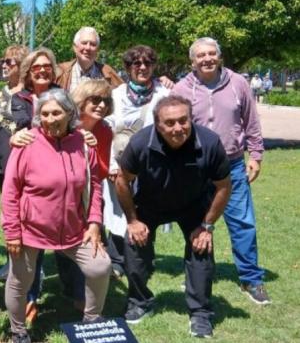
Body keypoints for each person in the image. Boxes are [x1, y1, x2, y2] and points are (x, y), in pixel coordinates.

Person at [115, 95, 232, 338]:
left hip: (193, 205)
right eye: (169, 123)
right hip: (149, 203)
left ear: (191, 119)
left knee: (201, 249)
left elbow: (223, 186)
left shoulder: (210, 143)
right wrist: (133, 221)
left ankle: (200, 313)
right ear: (157, 124)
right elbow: (122, 180)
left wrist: (207, 225)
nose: (177, 128)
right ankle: (139, 301)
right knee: (133, 247)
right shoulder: (139, 142)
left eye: (183, 121)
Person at [1, 89, 111, 343]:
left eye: (56, 113)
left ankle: (92, 321)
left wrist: (94, 222)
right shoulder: (26, 143)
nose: (50, 119)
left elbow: (94, 186)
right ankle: (18, 331)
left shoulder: (84, 144)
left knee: (100, 267)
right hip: (30, 229)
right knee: (20, 280)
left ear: (70, 113)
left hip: (74, 228)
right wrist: (12, 232)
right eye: (45, 114)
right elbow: (9, 191)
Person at [172, 37, 270, 304]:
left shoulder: (238, 83)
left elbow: (251, 121)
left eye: (212, 54)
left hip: (233, 165)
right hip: (197, 167)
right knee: (198, 223)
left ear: (219, 56)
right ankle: (200, 275)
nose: (207, 59)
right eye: (201, 55)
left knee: (242, 223)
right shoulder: (182, 88)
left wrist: (256, 155)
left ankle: (251, 279)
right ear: (192, 61)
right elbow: (173, 129)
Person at [104, 45, 170, 279]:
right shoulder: (116, 95)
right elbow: (107, 131)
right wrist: (111, 164)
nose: (142, 68)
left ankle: (142, 259)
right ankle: (117, 260)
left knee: (146, 210)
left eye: (148, 63)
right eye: (136, 63)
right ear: (128, 67)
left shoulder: (164, 94)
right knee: (118, 210)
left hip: (151, 165)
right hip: (120, 164)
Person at [0, 45, 29, 280]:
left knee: (27, 215)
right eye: (3, 61)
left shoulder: (29, 95)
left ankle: (33, 266)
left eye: (9, 62)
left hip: (27, 165)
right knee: (9, 214)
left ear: (21, 66)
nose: (4, 65)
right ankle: (13, 263)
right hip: (3, 165)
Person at [56, 26, 123, 93]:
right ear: (75, 47)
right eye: (84, 43)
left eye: (93, 44)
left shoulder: (108, 73)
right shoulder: (59, 73)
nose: (88, 48)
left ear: (97, 49)